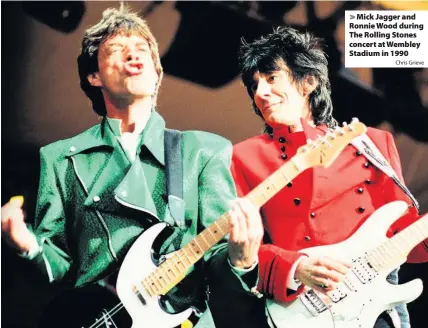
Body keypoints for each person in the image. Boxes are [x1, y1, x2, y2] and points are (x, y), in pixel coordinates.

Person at [1, 6, 263, 328]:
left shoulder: (203, 151)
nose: (134, 57)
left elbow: (218, 267)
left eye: (142, 50)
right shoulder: (59, 159)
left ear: (157, 72)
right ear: (93, 76)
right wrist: (25, 244)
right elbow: (59, 268)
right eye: (117, 50)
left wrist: (243, 259)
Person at [227, 26, 428, 328]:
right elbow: (241, 248)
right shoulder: (243, 157)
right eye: (254, 85)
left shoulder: (373, 142)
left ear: (308, 81)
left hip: (373, 309)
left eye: (271, 78)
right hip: (296, 311)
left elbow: (405, 240)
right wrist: (296, 267)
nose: (261, 93)